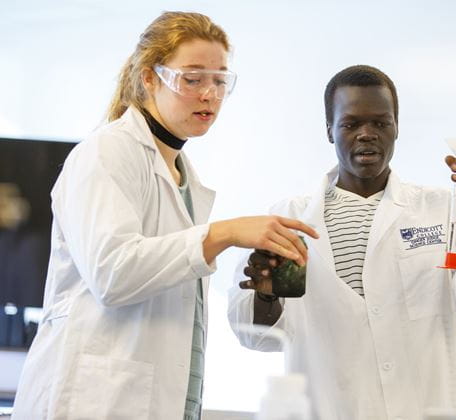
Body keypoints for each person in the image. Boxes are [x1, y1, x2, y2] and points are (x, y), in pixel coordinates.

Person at [12, 12, 317, 420]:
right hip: (94, 402)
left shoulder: (183, 177)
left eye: (220, 80)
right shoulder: (107, 153)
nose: (210, 94)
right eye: (192, 79)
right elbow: (112, 273)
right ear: (149, 78)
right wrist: (222, 234)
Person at [228, 65, 456, 420]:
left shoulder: (442, 209)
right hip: (330, 409)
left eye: (381, 123)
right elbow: (259, 338)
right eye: (350, 124)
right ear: (330, 131)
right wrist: (267, 295)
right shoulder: (291, 222)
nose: (367, 135)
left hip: (427, 408)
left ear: (396, 128)